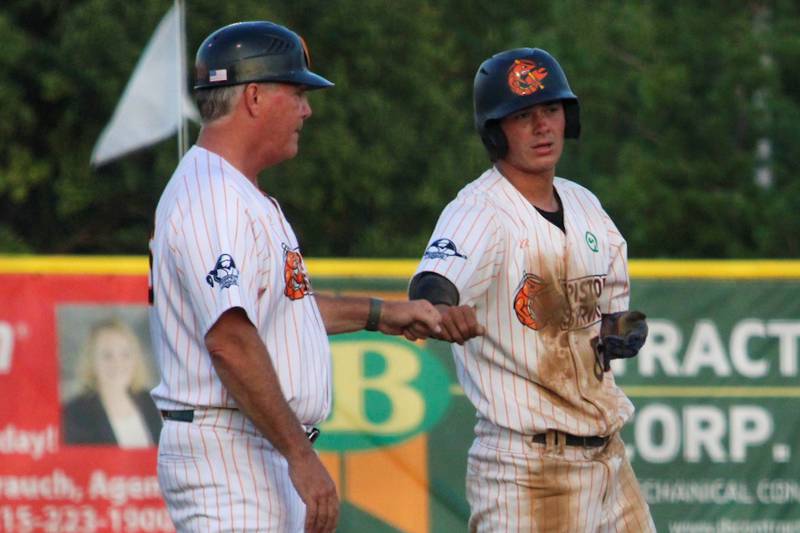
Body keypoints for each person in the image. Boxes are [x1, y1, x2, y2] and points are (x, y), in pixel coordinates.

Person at [148, 21, 441, 533]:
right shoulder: (213, 198)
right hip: (231, 447)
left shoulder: (235, 192)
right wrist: (300, 457)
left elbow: (279, 310)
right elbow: (231, 341)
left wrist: (382, 314)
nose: (307, 110)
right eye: (298, 92)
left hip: (253, 443)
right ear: (255, 97)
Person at [409, 48, 655, 532]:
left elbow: (608, 312)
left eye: (551, 110)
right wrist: (441, 308)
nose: (542, 126)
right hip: (528, 468)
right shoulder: (480, 211)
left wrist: (617, 331)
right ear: (496, 131)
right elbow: (432, 283)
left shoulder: (585, 204)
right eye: (523, 116)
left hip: (608, 455)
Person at [62, 318, 161, 447]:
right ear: (92, 362)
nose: (117, 363)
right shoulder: (73, 414)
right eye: (107, 355)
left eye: (125, 354)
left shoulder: (151, 401)